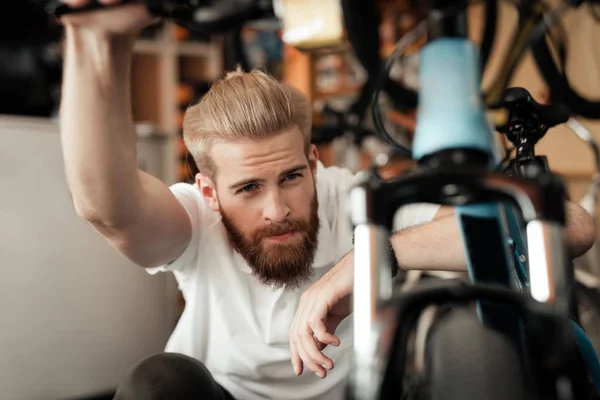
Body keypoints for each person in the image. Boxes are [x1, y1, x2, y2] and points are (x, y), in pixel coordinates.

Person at [57, 1, 596, 399]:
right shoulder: (196, 224)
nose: (278, 209)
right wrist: (95, 37)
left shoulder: (355, 198)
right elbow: (106, 206)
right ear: (209, 192)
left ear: (314, 161)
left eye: (292, 176)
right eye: (247, 188)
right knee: (157, 384)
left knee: (467, 342)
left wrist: (367, 258)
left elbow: (570, 227)